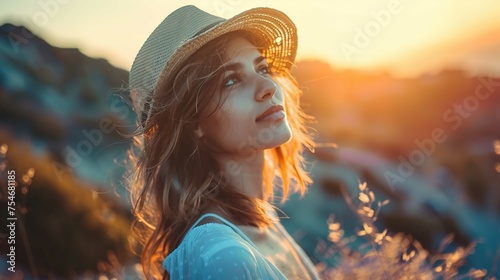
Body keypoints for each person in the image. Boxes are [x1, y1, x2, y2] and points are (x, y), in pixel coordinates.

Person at [128, 5, 321, 280]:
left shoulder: (259, 216)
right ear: (193, 123)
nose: (268, 87)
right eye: (231, 81)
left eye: (262, 68)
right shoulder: (221, 254)